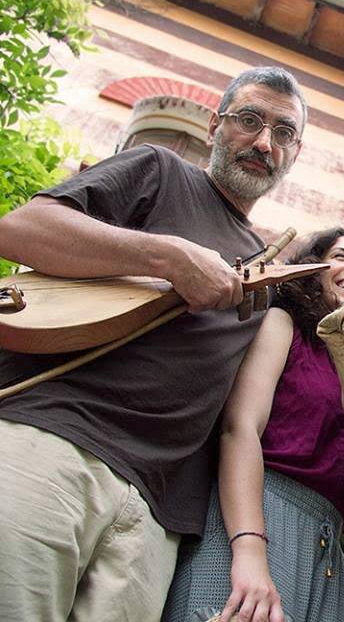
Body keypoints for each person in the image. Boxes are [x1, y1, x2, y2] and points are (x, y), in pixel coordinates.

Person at [0, 66, 307, 621]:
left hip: (154, 517)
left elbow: (240, 425)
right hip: (51, 444)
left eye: (283, 133)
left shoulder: (267, 276)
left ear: (294, 152)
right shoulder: (160, 170)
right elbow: (20, 229)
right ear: (215, 126)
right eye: (248, 121)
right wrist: (165, 255)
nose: (264, 142)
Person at [162, 221, 344, 622]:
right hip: (255, 514)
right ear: (315, 268)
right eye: (340, 256)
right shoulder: (286, 325)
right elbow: (239, 427)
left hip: (328, 541)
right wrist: (248, 551)